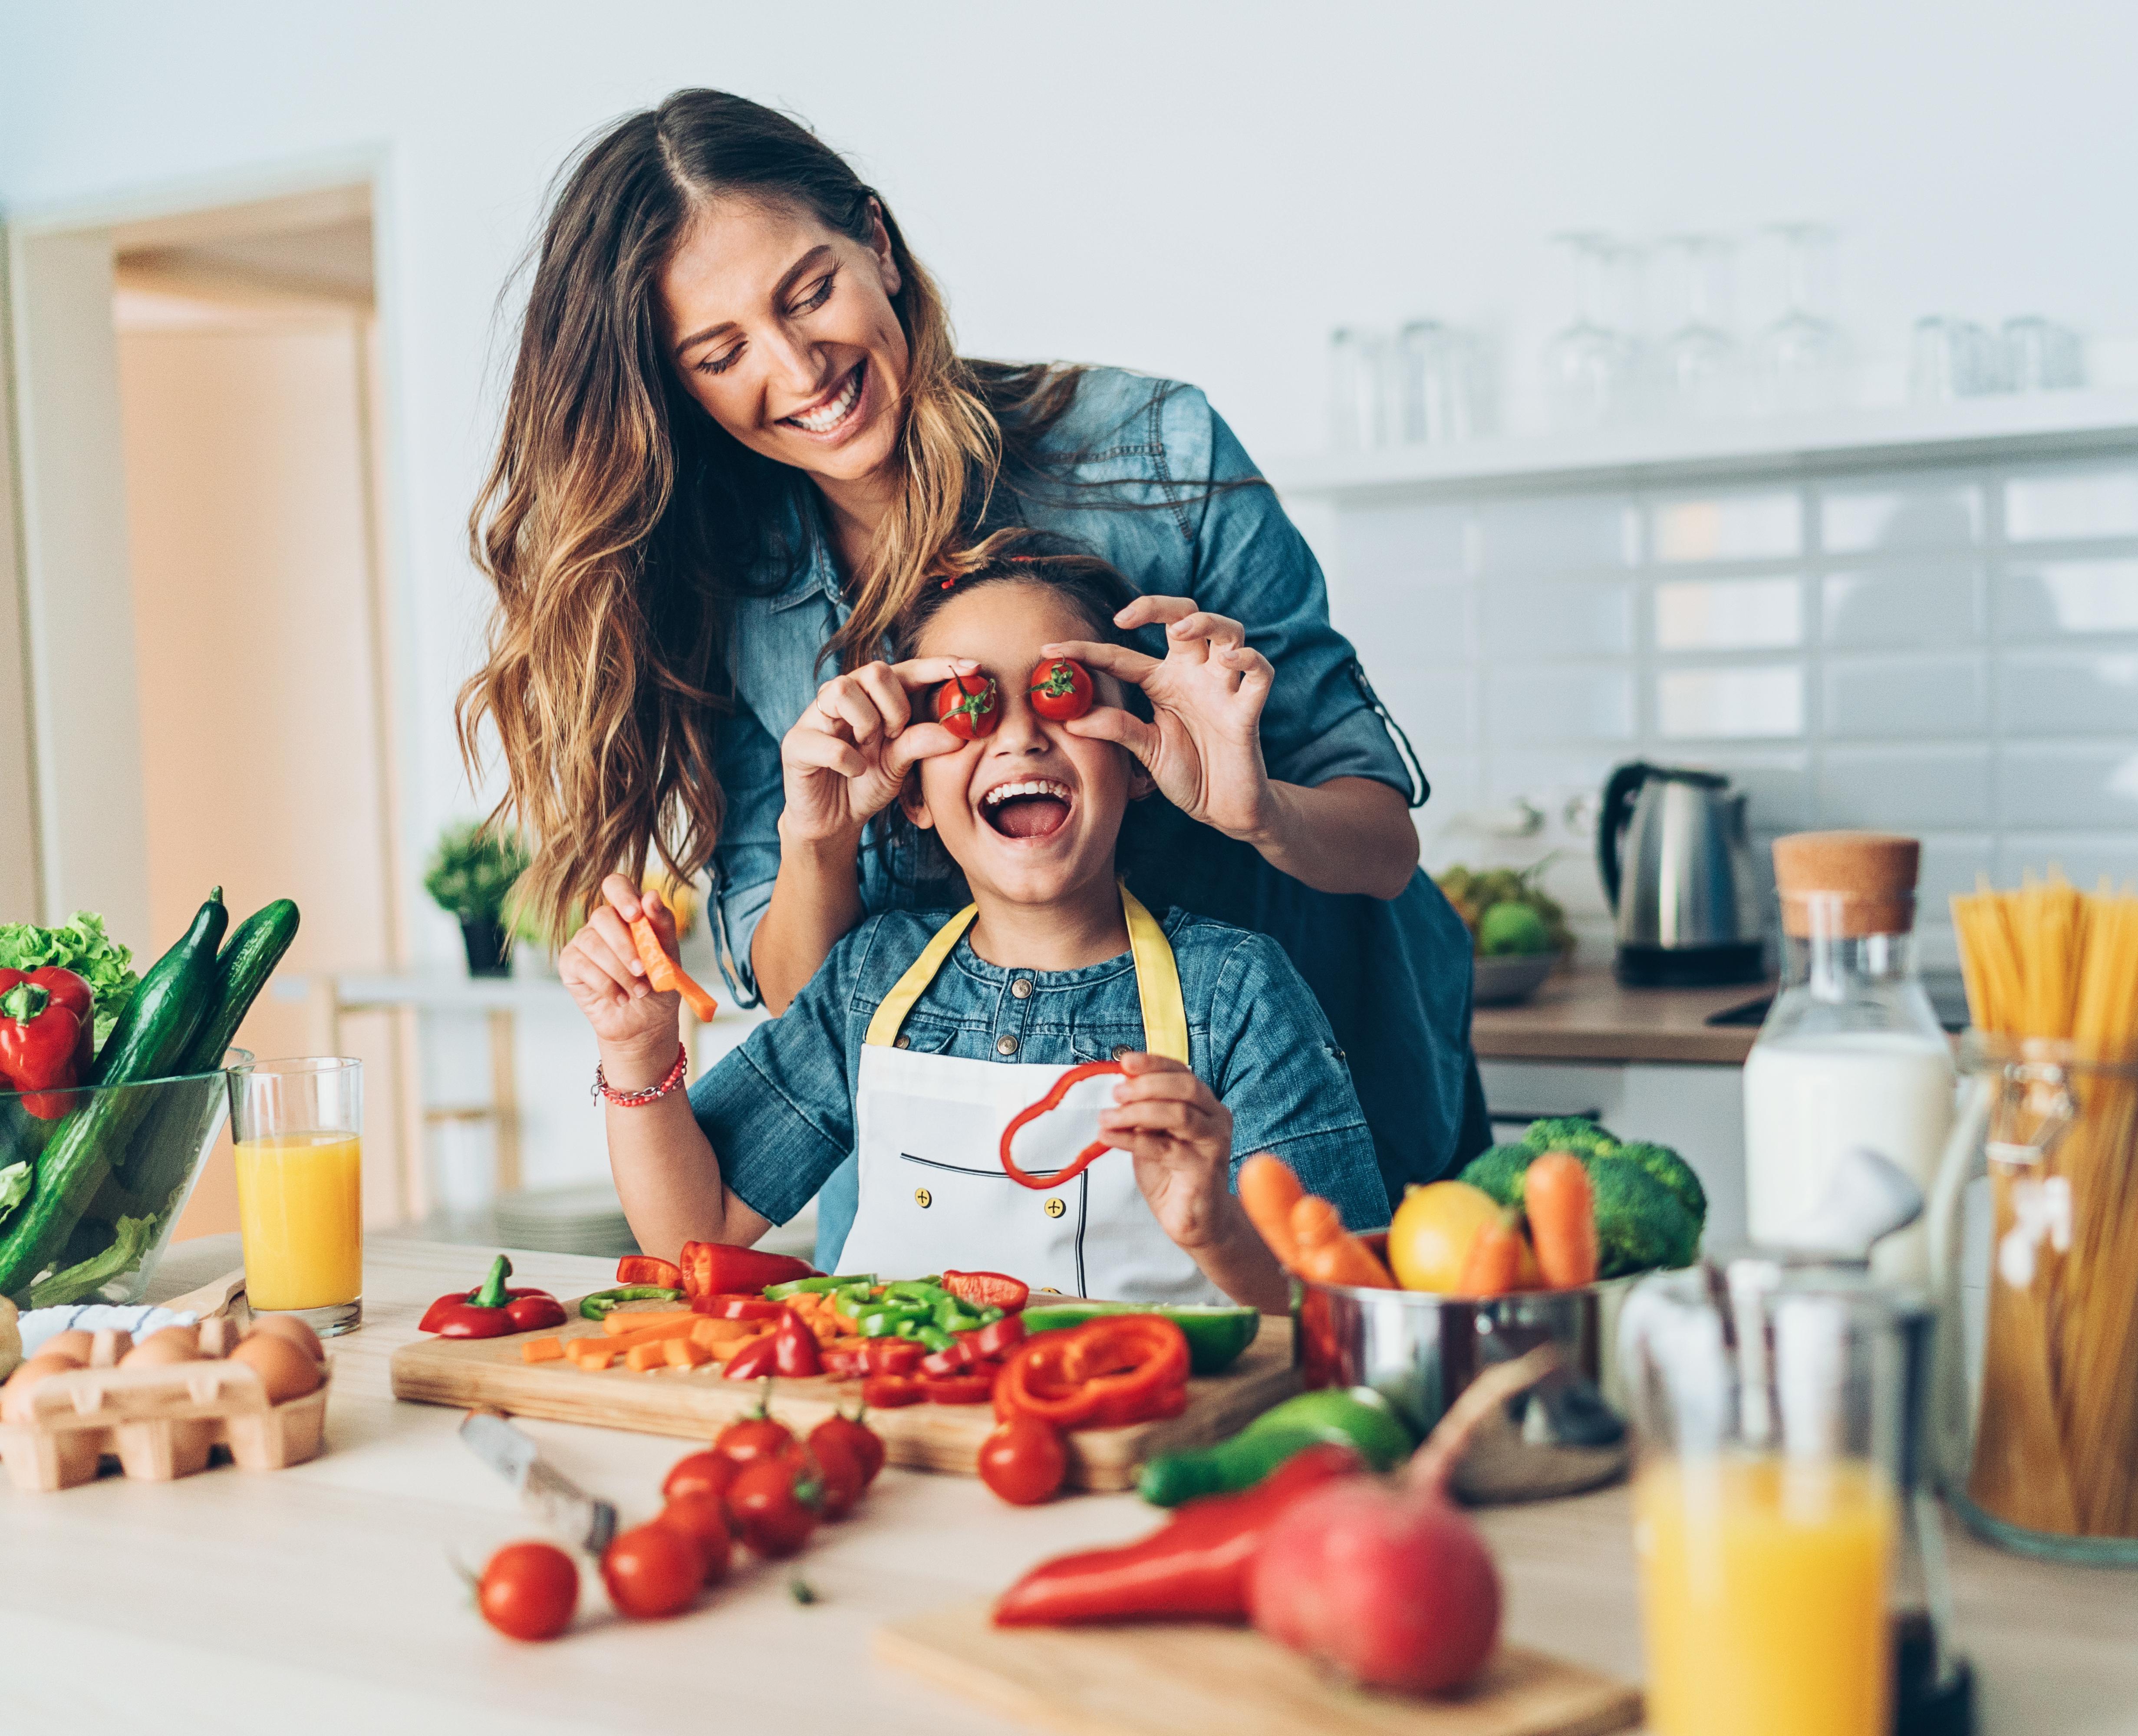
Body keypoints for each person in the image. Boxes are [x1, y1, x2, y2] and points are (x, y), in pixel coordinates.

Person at [460, 89, 1483, 1266]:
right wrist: (818, 838)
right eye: (722, 352)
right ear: (677, 384)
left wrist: (1256, 809)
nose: (798, 367)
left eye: (810, 292)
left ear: (878, 245)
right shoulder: (715, 584)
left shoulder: (1156, 453)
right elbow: (807, 1004)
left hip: (1269, 1127)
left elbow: (1380, 843)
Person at [557, 536, 1387, 1310]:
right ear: (913, 792)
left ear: (1138, 756)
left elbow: (1347, 1305)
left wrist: (1216, 1231)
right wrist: (636, 1051)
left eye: (1064, 692)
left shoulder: (1237, 992)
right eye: (969, 707)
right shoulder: (870, 976)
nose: (1021, 736)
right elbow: (692, 1231)